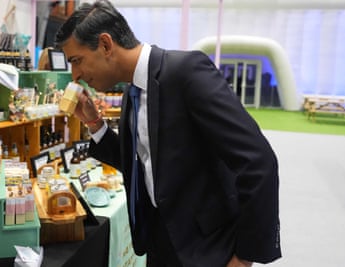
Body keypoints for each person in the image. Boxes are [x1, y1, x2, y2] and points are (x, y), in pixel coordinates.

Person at [55, 1, 281, 266]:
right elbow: (141, 163)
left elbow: (258, 162)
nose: (75, 75)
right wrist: (95, 124)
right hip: (161, 243)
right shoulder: (132, 91)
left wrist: (244, 257)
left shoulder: (186, 73)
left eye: (76, 61)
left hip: (207, 249)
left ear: (106, 45)